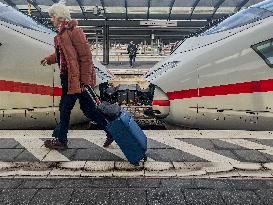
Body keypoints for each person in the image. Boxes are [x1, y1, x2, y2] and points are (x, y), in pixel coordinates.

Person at [40, 3, 113, 150]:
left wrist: (84, 82)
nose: (51, 20)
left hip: (75, 80)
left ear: (59, 17)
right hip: (69, 78)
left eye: (52, 17)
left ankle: (61, 140)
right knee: (89, 109)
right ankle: (111, 131)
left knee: (65, 108)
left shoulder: (75, 31)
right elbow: (64, 55)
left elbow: (86, 58)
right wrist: (49, 59)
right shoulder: (61, 34)